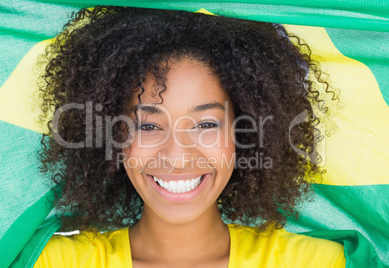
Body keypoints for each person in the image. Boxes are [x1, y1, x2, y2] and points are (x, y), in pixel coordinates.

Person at [35, 6, 345, 267]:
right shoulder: (53, 262)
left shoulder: (319, 262)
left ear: (246, 134)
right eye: (147, 126)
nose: (176, 156)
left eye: (206, 125)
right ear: (110, 137)